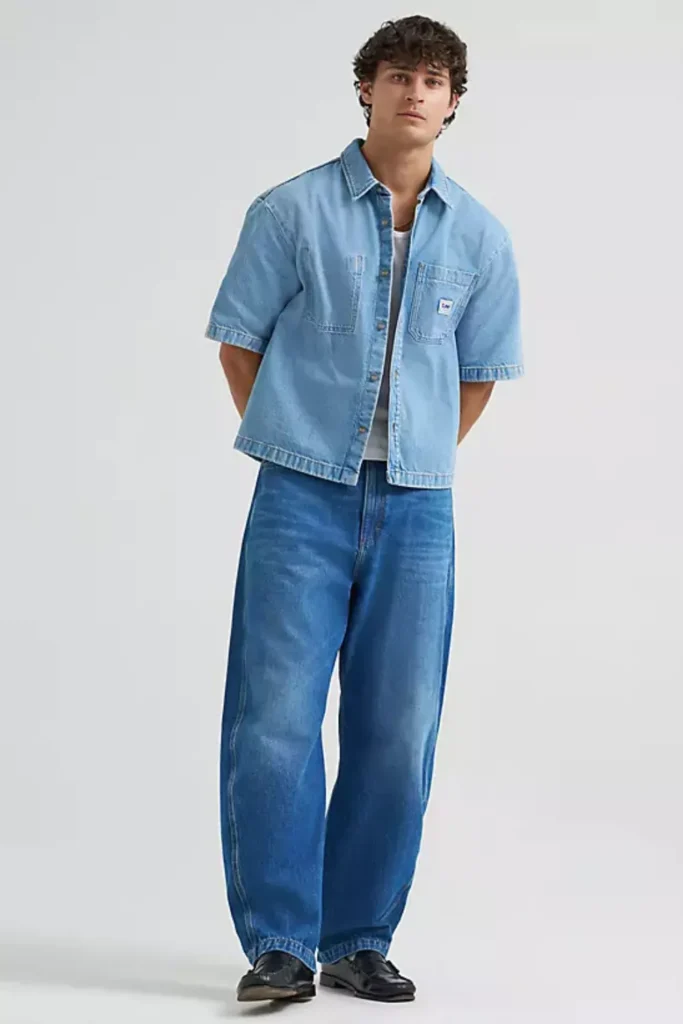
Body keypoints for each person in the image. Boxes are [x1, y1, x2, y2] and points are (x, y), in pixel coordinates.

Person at [204, 14, 524, 1005]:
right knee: (274, 722)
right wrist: (302, 442)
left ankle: (355, 939)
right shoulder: (289, 211)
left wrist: (414, 457)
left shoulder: (479, 235)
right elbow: (239, 341)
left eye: (432, 79)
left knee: (398, 727)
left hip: (418, 512)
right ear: (365, 89)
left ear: (453, 101)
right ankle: (278, 944)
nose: (414, 92)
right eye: (397, 75)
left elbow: (479, 372)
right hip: (298, 497)